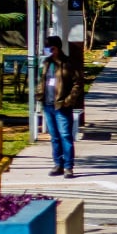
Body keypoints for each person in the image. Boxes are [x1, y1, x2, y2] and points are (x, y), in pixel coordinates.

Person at [40, 36, 83, 178]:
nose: (49, 51)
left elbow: (77, 83)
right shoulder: (46, 63)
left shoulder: (67, 63)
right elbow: (42, 81)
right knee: (54, 137)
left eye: (51, 48)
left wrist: (69, 100)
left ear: (58, 48)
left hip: (62, 106)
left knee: (65, 136)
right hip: (48, 104)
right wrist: (39, 95)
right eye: (47, 49)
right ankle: (58, 164)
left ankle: (68, 167)